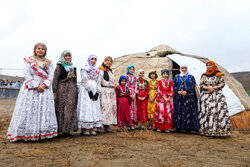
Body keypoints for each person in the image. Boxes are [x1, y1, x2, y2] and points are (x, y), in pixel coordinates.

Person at [7, 43, 57, 142]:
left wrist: (44, 85)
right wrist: (36, 85)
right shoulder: (29, 60)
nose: (40, 50)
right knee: (30, 109)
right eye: (38, 48)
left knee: (44, 110)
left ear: (45, 51)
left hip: (45, 89)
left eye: (43, 49)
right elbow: (26, 73)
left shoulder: (49, 62)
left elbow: (51, 75)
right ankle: (26, 133)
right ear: (35, 49)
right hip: (31, 89)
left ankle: (42, 133)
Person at [198, 61, 231, 137]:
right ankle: (206, 130)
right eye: (207, 66)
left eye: (210, 65)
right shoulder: (203, 75)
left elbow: (222, 83)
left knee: (217, 111)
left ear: (213, 66)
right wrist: (208, 88)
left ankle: (219, 131)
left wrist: (214, 88)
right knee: (206, 111)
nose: (209, 67)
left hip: (217, 94)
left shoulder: (219, 74)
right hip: (206, 94)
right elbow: (201, 84)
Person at [53, 50, 78, 136]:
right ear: (63, 57)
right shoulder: (59, 67)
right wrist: (54, 91)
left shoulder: (73, 67)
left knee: (70, 109)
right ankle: (59, 129)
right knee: (61, 108)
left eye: (69, 56)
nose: (67, 57)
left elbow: (75, 80)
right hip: (62, 90)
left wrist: (76, 89)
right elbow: (55, 79)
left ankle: (67, 130)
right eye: (66, 56)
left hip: (72, 91)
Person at [77, 55, 102, 135]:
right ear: (89, 60)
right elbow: (84, 80)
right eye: (92, 59)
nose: (93, 61)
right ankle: (85, 129)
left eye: (95, 59)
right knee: (87, 108)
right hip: (86, 91)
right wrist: (89, 91)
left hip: (95, 90)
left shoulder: (97, 70)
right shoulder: (84, 69)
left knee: (94, 108)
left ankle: (92, 128)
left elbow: (99, 81)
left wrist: (97, 92)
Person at [173, 65, 199, 133]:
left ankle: (188, 128)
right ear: (180, 69)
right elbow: (173, 85)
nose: (184, 69)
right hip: (179, 96)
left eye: (185, 68)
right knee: (179, 110)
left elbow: (193, 85)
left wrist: (186, 91)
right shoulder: (176, 77)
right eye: (182, 68)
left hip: (189, 96)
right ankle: (178, 127)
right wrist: (178, 91)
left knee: (188, 111)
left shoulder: (191, 77)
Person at [99, 56, 117, 132]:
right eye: (107, 60)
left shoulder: (110, 71)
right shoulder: (101, 70)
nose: (109, 62)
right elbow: (101, 80)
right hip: (104, 91)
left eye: (110, 61)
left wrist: (114, 84)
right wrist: (110, 84)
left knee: (109, 108)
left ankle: (107, 125)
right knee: (104, 107)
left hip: (111, 91)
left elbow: (113, 79)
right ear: (104, 61)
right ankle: (100, 125)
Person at [126, 65, 138, 129]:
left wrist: (134, 94)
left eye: (133, 69)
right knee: (129, 107)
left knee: (134, 108)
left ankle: (133, 123)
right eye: (130, 69)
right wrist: (129, 94)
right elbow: (126, 85)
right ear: (128, 69)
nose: (132, 70)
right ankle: (128, 123)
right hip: (128, 93)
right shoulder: (126, 77)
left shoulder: (135, 78)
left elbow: (136, 86)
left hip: (134, 93)